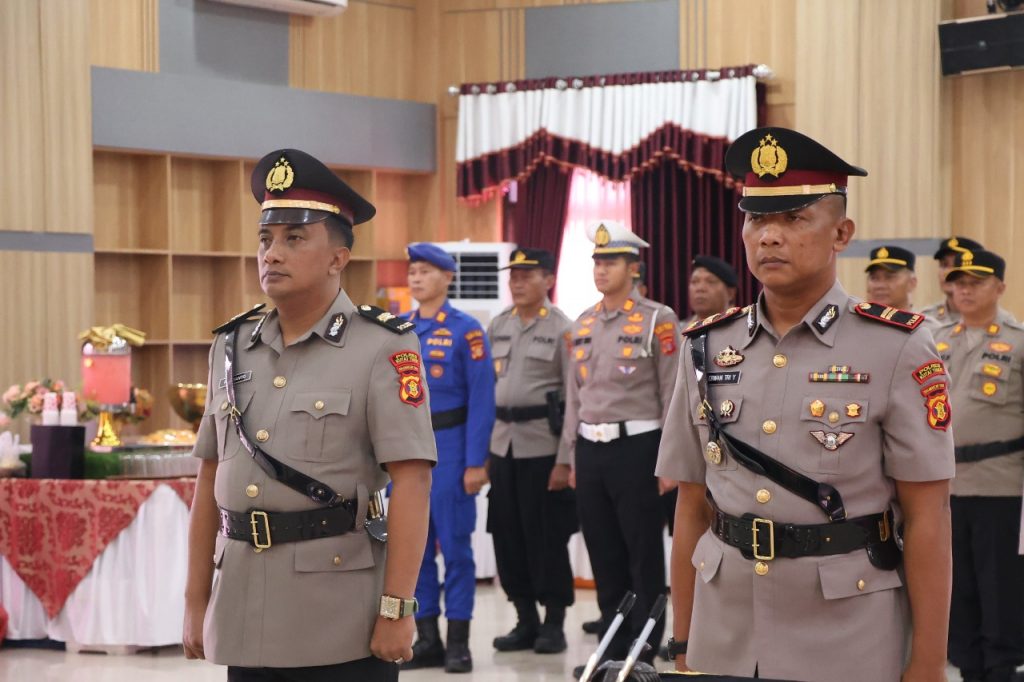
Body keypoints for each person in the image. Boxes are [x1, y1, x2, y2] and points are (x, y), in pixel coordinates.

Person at [656, 127, 956, 682]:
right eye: (756, 219)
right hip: (725, 630)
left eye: (794, 219)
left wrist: (928, 663)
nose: (769, 236)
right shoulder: (706, 345)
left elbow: (928, 515)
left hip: (847, 631)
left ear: (841, 233)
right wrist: (683, 640)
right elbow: (692, 504)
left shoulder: (897, 346)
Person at [183, 148, 436, 682]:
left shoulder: (383, 347)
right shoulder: (231, 345)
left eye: (294, 239)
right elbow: (209, 476)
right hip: (243, 609)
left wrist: (397, 608)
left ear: (337, 259)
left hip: (338, 618)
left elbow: (413, 482)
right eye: (266, 239)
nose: (272, 254)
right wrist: (195, 599)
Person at [561, 220, 681, 676]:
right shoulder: (583, 322)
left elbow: (672, 394)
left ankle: (642, 652)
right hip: (591, 451)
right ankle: (610, 649)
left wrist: (670, 460)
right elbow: (574, 398)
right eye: (597, 261)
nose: (601, 269)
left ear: (633, 268)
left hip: (639, 448)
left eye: (610, 262)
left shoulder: (657, 318)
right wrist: (571, 457)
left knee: (642, 552)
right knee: (603, 551)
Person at [400, 242, 496, 674]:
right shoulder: (399, 329)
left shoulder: (466, 330)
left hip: (452, 448)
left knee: (456, 548)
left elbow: (482, 400)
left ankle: (458, 642)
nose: (416, 278)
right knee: (413, 549)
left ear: (447, 277)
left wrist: (476, 462)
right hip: (407, 453)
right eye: (412, 272)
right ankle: (427, 639)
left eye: (425, 271)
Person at [934, 249, 1024, 682]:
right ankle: (968, 665)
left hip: (1000, 482)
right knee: (958, 583)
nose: (965, 290)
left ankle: (1002, 667)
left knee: (999, 583)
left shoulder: (1018, 341)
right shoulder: (936, 340)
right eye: (959, 282)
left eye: (976, 282)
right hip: (944, 486)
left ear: (1000, 287)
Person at [486, 247, 577, 655]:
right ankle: (525, 619)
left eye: (527, 275)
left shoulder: (563, 329)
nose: (517, 282)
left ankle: (554, 622)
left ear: (549, 280)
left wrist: (565, 461)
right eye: (514, 276)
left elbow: (574, 400)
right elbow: (488, 389)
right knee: (507, 535)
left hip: (543, 447)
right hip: (502, 445)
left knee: (546, 538)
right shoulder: (499, 324)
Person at [920, 236, 984, 328]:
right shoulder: (925, 319)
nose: (948, 272)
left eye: (957, 265)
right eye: (944, 265)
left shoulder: (990, 319)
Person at [683, 255, 739, 328]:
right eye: (694, 281)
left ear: (730, 293)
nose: (700, 288)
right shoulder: (679, 329)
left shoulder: (743, 328)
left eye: (711, 282)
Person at [865, 245, 917, 310]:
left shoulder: (923, 317)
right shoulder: (856, 315)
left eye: (889, 277)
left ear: (912, 283)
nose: (880, 286)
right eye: (874, 278)